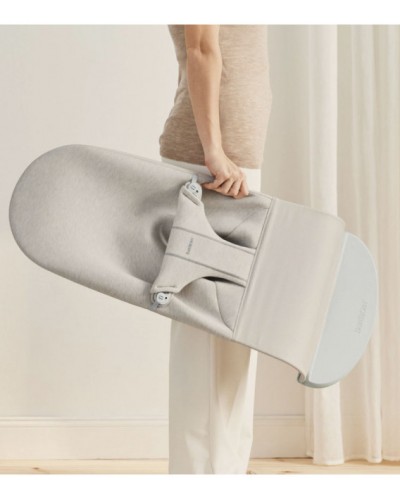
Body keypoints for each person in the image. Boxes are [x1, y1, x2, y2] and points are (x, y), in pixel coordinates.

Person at [158, 24, 273, 474]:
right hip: (212, 166)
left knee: (235, 332)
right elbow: (201, 49)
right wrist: (213, 152)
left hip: (230, 164)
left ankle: (226, 473)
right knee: (204, 331)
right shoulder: (213, 159)